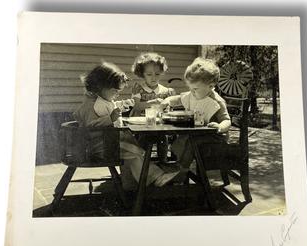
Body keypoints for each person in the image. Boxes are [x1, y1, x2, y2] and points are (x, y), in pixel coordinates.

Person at [73, 61, 180, 189]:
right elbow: (90, 125)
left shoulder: (102, 100)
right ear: (100, 87)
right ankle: (155, 177)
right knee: (134, 154)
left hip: (108, 143)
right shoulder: (90, 105)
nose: (117, 94)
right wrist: (110, 119)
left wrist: (124, 104)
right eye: (115, 91)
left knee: (137, 150)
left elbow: (110, 106)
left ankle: (130, 184)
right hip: (99, 147)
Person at [161, 57, 231, 169]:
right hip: (199, 133)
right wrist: (168, 100)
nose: (192, 92)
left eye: (195, 89)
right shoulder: (193, 94)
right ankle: (177, 164)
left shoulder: (216, 102)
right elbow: (179, 98)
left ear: (211, 86)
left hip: (215, 138)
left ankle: (182, 169)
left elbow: (226, 120)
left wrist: (220, 126)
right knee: (181, 138)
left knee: (191, 141)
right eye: (190, 88)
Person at [130, 52, 176, 163]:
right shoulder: (139, 88)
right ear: (142, 74)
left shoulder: (165, 91)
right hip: (141, 125)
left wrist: (168, 105)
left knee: (163, 139)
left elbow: (169, 109)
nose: (153, 77)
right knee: (143, 142)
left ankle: (163, 163)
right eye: (149, 74)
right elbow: (137, 106)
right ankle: (141, 164)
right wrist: (153, 102)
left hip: (160, 125)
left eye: (157, 74)